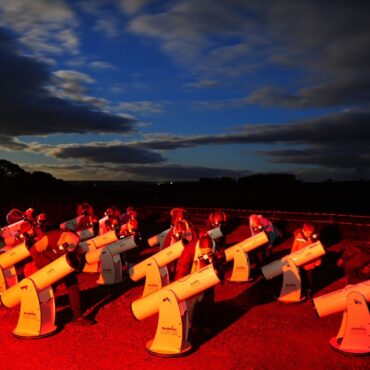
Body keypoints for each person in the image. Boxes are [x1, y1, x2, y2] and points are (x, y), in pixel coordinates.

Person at [18, 220, 95, 326]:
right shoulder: (48, 238)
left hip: (61, 263)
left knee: (72, 285)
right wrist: (48, 265)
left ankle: (77, 316)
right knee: (48, 290)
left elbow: (70, 251)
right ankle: (42, 316)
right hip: (52, 267)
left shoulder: (71, 238)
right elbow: (34, 251)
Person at [174, 233, 223, 339]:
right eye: (203, 253)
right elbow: (182, 268)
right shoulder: (190, 249)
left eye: (208, 253)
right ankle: (194, 325)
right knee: (193, 303)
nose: (205, 255)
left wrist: (216, 260)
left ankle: (207, 324)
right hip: (193, 278)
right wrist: (178, 287)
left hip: (209, 278)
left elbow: (222, 259)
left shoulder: (216, 247)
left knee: (208, 301)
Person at [291, 223, 321, 297]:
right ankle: (302, 290)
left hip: (310, 263)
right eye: (308, 233)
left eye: (311, 233)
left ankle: (309, 291)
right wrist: (293, 260)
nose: (309, 234)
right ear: (304, 231)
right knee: (302, 278)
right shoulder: (298, 238)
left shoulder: (313, 239)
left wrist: (318, 261)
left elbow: (317, 250)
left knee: (310, 279)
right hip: (301, 264)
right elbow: (293, 250)